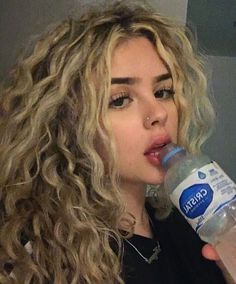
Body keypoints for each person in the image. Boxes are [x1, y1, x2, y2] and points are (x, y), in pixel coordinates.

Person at [0, 1, 230, 283]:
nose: (158, 113)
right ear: (69, 123)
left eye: (163, 91)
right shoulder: (43, 258)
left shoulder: (192, 227)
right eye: (120, 100)